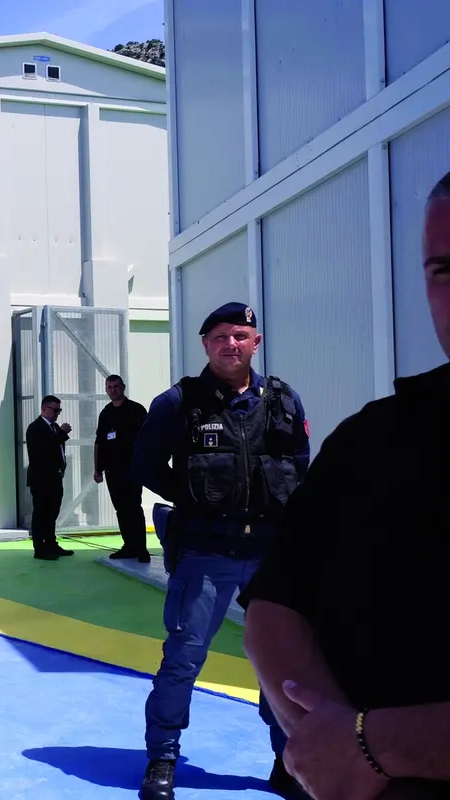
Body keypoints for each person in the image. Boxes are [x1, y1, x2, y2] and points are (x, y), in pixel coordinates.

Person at [238, 170, 450, 800]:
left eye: (243, 336)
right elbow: (274, 608)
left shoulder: (282, 401)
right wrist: (328, 749)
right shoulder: (373, 438)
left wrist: (370, 746)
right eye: (443, 271)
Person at [131, 302, 311, 800]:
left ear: (255, 342)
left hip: (272, 558)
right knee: (184, 658)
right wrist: (191, 499)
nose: (230, 344)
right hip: (207, 553)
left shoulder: (282, 401)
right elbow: (144, 465)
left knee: (283, 665)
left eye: (240, 335)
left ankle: (287, 762)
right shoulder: (178, 403)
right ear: (205, 345)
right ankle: (162, 758)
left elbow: (301, 466)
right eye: (219, 337)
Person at [92, 374, 150, 562]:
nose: (112, 390)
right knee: (121, 509)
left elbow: (148, 438)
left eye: (116, 386)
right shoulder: (106, 413)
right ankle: (129, 545)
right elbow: (99, 442)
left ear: (123, 387)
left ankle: (141, 548)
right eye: (109, 387)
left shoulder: (136, 410)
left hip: (132, 469)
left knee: (134, 507)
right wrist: (97, 469)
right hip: (112, 470)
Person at [25, 395, 75, 560]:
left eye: (59, 410)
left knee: (52, 513)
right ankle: (39, 548)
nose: (57, 414)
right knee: (41, 513)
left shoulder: (53, 428)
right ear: (44, 408)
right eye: (55, 410)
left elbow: (56, 450)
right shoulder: (35, 428)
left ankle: (51, 543)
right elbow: (46, 449)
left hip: (54, 478)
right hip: (41, 480)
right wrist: (62, 434)